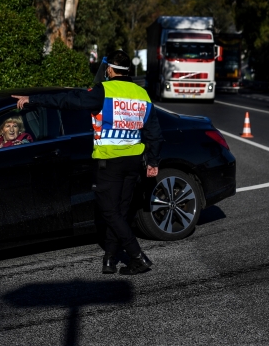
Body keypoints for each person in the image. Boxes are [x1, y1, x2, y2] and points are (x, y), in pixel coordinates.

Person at [13, 50, 163, 275]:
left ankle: (137, 256)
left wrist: (33, 99)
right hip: (133, 162)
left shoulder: (104, 90)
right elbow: (155, 133)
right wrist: (153, 161)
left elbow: (67, 100)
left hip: (109, 162)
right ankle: (110, 259)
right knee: (120, 213)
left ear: (110, 69)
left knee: (109, 211)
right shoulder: (142, 94)